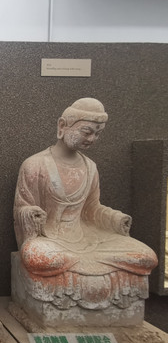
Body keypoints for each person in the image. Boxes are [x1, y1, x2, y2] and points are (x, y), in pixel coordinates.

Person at [14, 98, 157, 309]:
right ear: (62, 126)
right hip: (51, 240)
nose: (92, 138)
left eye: (98, 134)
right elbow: (22, 207)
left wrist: (115, 219)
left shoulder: (90, 167)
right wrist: (30, 214)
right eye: (86, 131)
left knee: (146, 256)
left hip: (89, 238)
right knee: (39, 256)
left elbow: (92, 209)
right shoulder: (35, 165)